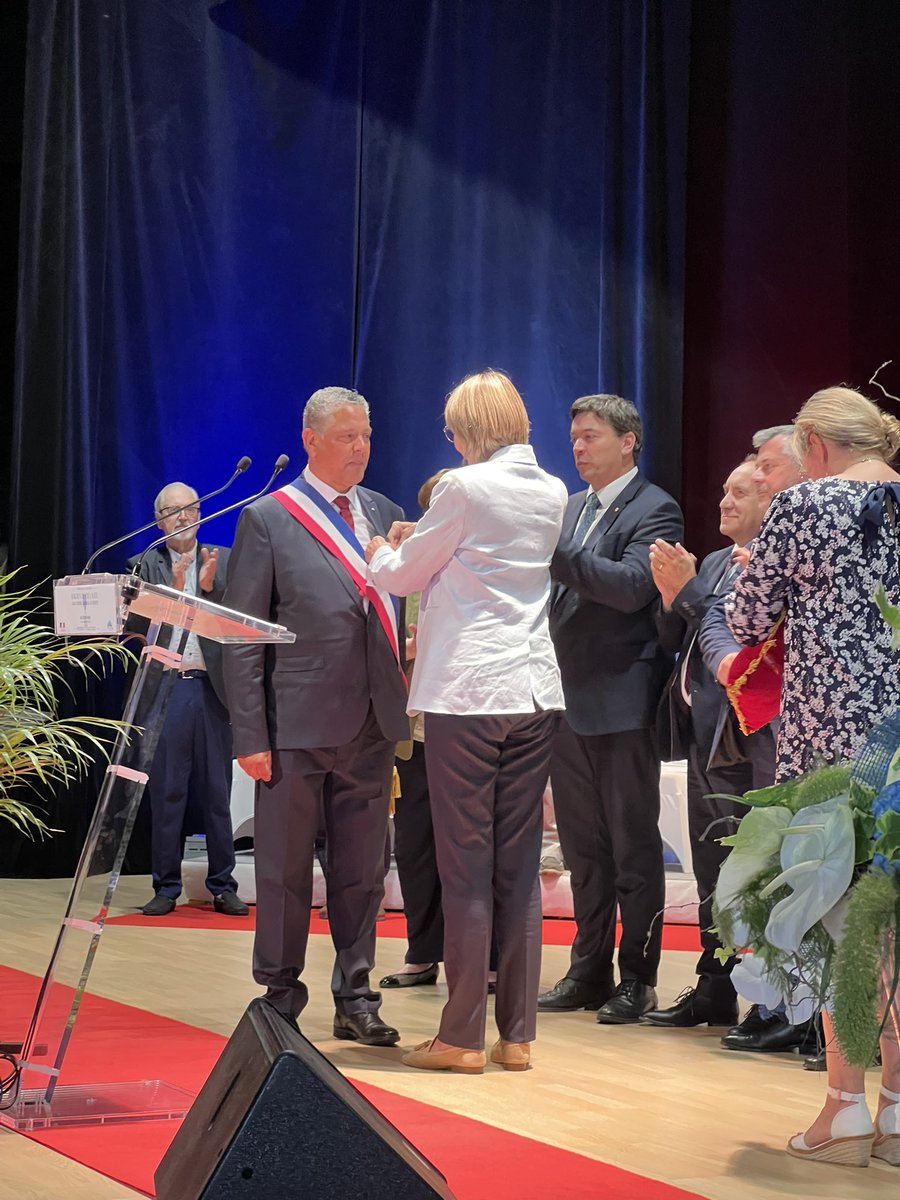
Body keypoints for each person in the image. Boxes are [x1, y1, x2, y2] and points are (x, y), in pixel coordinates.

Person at [367, 369, 567, 1074]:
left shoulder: (461, 485)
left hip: (468, 693)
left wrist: (382, 548)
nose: (451, 443)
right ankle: (517, 1035)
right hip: (533, 691)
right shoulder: (552, 490)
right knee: (518, 867)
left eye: (454, 431)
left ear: (472, 431)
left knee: (465, 866)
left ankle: (458, 1038)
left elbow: (400, 576)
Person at [723, 386, 900, 1164]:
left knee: (840, 922)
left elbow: (745, 620)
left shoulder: (804, 506)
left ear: (816, 446)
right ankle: (898, 1112)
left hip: (831, 742)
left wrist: (752, 570)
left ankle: (845, 1107)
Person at [222, 386, 408, 1046]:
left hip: (371, 723)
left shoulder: (385, 513)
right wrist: (250, 733)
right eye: (346, 436)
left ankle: (355, 994)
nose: (360, 447)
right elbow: (241, 636)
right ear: (310, 440)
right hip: (293, 727)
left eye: (366, 435)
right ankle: (279, 995)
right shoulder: (269, 517)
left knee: (363, 872)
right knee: (283, 869)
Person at [539, 394, 684, 1023]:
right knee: (582, 848)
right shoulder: (572, 509)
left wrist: (551, 545)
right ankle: (587, 969)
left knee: (632, 846)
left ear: (628, 441)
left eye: (591, 436)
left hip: (623, 700)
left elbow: (629, 589)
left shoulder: (656, 508)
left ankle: (639, 977)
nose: (578, 447)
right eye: (574, 436)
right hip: (565, 700)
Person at [697, 424, 815, 1055]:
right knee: (756, 869)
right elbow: (723, 618)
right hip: (743, 724)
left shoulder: (820, 531)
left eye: (766, 469)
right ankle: (773, 1002)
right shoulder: (748, 555)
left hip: (807, 720)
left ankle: (810, 1012)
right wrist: (726, 662)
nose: (758, 478)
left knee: (800, 868)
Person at [644, 457, 773, 1029]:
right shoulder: (717, 561)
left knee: (752, 870)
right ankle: (714, 986)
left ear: (771, 501)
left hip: (746, 740)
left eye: (740, 493)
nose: (724, 501)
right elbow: (674, 637)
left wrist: (690, 592)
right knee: (710, 866)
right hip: (703, 736)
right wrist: (670, 596)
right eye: (723, 490)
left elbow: (741, 643)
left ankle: (769, 997)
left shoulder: (771, 565)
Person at [129, 482, 247, 918]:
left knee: (218, 793)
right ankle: (166, 886)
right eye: (173, 511)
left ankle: (223, 886)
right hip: (168, 689)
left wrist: (210, 591)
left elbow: (241, 623)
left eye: (191, 508)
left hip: (212, 689)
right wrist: (176, 589)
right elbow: (134, 628)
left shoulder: (225, 560)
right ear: (159, 520)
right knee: (168, 791)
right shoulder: (142, 564)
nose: (183, 516)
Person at [379, 470, 448, 990]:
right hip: (414, 730)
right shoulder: (408, 564)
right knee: (415, 846)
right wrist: (402, 650)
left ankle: (489, 959)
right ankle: (422, 953)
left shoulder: (481, 561)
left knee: (473, 850)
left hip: (466, 723)